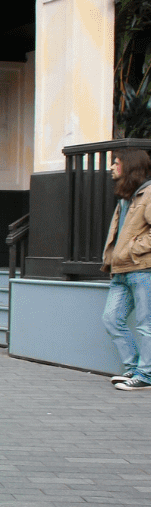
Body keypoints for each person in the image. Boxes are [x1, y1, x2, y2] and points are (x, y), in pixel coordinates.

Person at [102, 148, 151, 391]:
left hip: (143, 269)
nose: (112, 167)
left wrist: (133, 248)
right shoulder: (126, 197)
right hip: (120, 270)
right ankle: (133, 367)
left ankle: (146, 375)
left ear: (129, 166)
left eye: (116, 162)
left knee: (146, 325)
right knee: (111, 319)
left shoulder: (149, 193)